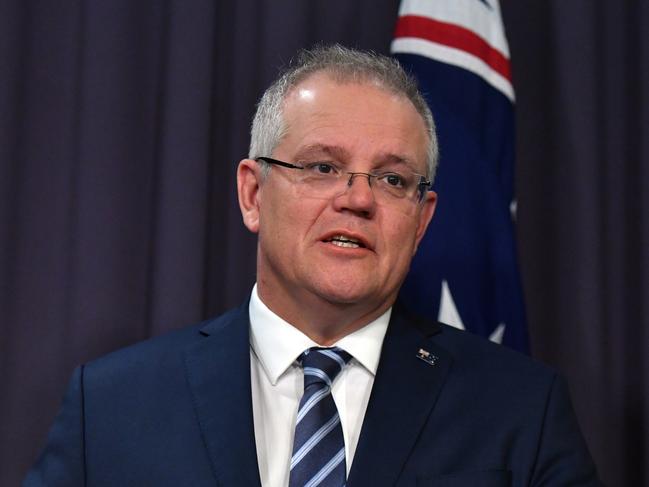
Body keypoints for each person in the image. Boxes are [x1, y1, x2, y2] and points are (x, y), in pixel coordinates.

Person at [25, 45, 600, 486]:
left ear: (421, 222)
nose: (357, 198)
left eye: (393, 179)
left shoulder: (522, 411)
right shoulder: (110, 405)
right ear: (253, 194)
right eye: (323, 167)